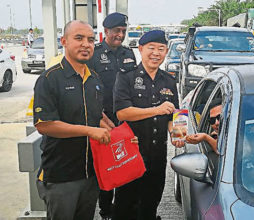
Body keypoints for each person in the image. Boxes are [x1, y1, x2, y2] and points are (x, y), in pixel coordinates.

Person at [33, 20, 111, 220]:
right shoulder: (49, 79)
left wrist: (119, 136)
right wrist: (89, 131)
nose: (86, 44)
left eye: (91, 40)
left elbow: (96, 116)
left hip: (90, 174)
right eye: (79, 38)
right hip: (61, 177)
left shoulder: (94, 79)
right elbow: (45, 125)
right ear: (64, 41)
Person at [113, 30, 179, 220]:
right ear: (141, 49)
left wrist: (177, 134)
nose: (156, 53)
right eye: (151, 48)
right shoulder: (126, 76)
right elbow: (122, 112)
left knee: (151, 204)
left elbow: (174, 115)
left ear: (166, 52)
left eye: (161, 49)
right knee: (125, 205)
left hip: (157, 156)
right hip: (130, 154)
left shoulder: (169, 80)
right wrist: (157, 109)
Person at [87, 12, 137, 220]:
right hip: (103, 119)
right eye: (116, 31)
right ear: (106, 31)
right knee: (105, 167)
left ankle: (123, 209)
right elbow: (88, 87)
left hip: (124, 119)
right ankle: (106, 211)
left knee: (124, 165)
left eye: (123, 31)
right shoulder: (95, 54)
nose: (120, 35)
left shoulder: (129, 54)